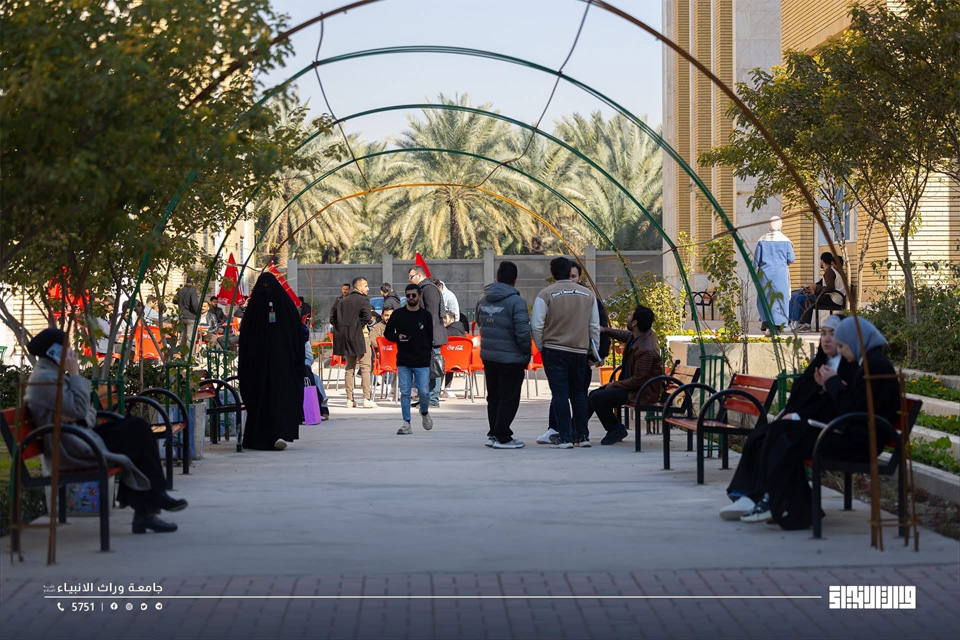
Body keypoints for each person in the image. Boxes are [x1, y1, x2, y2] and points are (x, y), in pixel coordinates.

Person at [731, 316, 899, 529]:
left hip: (861, 442)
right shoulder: (869, 363)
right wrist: (832, 386)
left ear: (855, 341)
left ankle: (782, 503)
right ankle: (781, 502)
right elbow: (855, 406)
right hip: (852, 433)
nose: (841, 351)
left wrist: (834, 384)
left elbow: (855, 410)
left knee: (789, 436)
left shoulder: (875, 367)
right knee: (784, 432)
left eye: (842, 345)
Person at [24, 328, 187, 534]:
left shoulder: (51, 375)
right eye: (67, 348)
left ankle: (150, 505)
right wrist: (75, 375)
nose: (72, 353)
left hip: (80, 436)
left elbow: (87, 413)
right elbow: (80, 410)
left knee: (137, 427)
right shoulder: (45, 379)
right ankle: (151, 504)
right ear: (54, 352)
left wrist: (77, 413)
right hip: (73, 446)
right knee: (136, 435)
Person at [721, 315, 854, 520]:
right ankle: (748, 494)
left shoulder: (849, 366)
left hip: (829, 430)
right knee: (760, 436)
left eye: (833, 334)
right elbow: (802, 392)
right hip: (809, 423)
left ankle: (769, 497)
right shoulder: (821, 362)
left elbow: (839, 405)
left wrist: (802, 411)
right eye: (823, 334)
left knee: (780, 437)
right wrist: (814, 390)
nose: (826, 339)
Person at [531, 257, 600, 449]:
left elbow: (536, 324)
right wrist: (593, 351)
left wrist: (541, 347)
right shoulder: (588, 295)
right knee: (579, 393)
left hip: (554, 350)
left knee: (560, 394)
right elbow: (594, 326)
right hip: (579, 351)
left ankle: (565, 437)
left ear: (552, 274)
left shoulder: (546, 294)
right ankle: (583, 436)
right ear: (570, 272)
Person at [239, 272, 304, 451]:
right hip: (258, 367)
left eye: (268, 287)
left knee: (279, 397)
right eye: (263, 287)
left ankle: (279, 434)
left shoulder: (285, 308)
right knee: (260, 399)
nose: (266, 291)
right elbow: (245, 341)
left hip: (281, 366)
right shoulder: (254, 312)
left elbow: (297, 335)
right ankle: (260, 437)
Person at [587, 305, 663, 445]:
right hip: (633, 388)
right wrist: (604, 330)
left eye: (630, 316)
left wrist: (614, 384)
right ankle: (576, 430)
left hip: (642, 392)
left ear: (634, 323)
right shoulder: (640, 336)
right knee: (594, 395)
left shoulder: (646, 349)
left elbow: (638, 381)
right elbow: (625, 335)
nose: (628, 318)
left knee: (598, 397)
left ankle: (616, 429)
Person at [476, 261, 531, 449]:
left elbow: (480, 322)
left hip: (489, 357)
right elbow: (522, 332)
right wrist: (526, 351)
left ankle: (493, 433)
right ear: (515, 281)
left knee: (494, 397)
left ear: (497, 277)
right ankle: (503, 436)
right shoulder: (517, 302)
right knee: (509, 398)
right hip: (511, 359)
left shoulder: (483, 299)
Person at [384, 284, 435, 435]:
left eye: (413, 295)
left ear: (419, 296)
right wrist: (397, 337)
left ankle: (424, 412)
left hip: (421, 360)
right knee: (405, 393)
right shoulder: (398, 314)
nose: (411, 298)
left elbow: (430, 337)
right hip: (404, 360)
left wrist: (427, 354)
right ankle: (406, 422)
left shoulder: (425, 315)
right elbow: (387, 333)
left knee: (424, 392)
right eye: (408, 295)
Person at [332, 276, 376, 408]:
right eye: (366, 286)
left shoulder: (342, 300)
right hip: (361, 336)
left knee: (349, 368)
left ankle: (349, 400)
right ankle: (366, 398)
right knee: (365, 367)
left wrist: (345, 328)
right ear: (359, 287)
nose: (368, 289)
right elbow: (367, 317)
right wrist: (357, 326)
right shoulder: (363, 299)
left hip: (345, 337)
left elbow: (333, 318)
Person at [408, 266, 447, 407]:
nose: (409, 279)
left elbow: (432, 315)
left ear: (419, 275)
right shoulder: (422, 289)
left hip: (431, 335)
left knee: (434, 366)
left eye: (411, 276)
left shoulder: (429, 289)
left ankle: (433, 399)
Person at [753, 216, 795, 333]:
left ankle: (767, 323)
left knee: (765, 298)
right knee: (780, 298)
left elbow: (756, 261)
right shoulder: (786, 241)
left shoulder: (762, 239)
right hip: (781, 275)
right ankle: (778, 325)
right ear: (780, 225)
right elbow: (791, 258)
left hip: (765, 275)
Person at [788, 252, 845, 331]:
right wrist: (814, 290)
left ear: (822, 261)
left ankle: (805, 325)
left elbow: (830, 288)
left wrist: (816, 288)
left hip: (835, 299)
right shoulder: (829, 271)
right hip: (833, 297)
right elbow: (825, 287)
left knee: (809, 300)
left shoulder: (829, 272)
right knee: (807, 299)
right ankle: (798, 323)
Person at [303, 322, 329, 420]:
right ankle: (321, 400)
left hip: (302, 369)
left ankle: (323, 408)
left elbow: (309, 358)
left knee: (315, 379)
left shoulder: (303, 338)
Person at [440, 311, 466, 398]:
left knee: (438, 360)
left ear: (452, 319)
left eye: (445, 318)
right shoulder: (461, 331)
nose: (443, 320)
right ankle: (447, 388)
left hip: (445, 362)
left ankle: (436, 390)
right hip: (462, 362)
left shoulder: (446, 332)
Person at [175, 276, 199, 349]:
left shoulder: (181, 290)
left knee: (183, 337)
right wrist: (198, 312)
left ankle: (182, 353)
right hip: (191, 317)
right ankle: (189, 355)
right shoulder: (193, 290)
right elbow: (194, 304)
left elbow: (174, 300)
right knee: (190, 338)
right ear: (193, 283)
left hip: (182, 316)